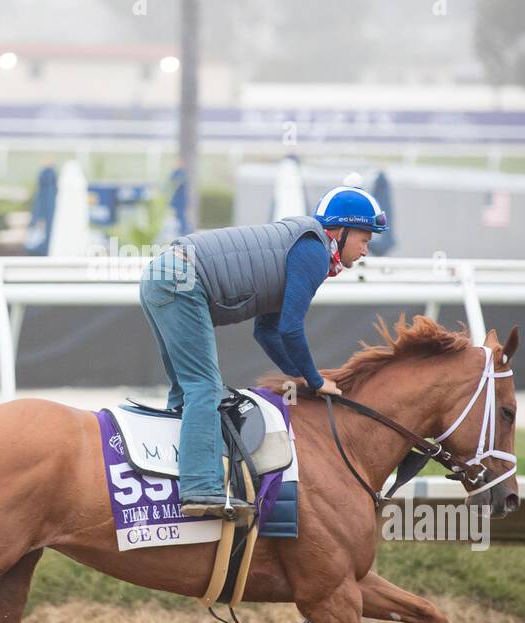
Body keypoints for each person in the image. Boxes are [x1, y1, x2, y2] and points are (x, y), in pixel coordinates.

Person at [138, 184, 389, 519]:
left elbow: (266, 331)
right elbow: (291, 328)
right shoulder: (313, 251)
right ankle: (201, 489)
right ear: (340, 232)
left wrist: (298, 376)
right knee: (203, 388)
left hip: (164, 273)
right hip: (181, 279)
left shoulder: (303, 244)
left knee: (185, 389)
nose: (366, 251)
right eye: (365, 239)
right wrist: (315, 380)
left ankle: (171, 477)